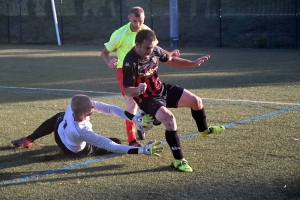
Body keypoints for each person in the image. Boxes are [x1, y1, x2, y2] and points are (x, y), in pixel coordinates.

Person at [122, 30, 225, 172]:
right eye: (147, 48)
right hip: (146, 98)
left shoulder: (155, 50)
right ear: (137, 45)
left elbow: (171, 60)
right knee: (169, 119)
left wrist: (193, 63)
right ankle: (179, 160)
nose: (150, 51)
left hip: (162, 89)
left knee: (196, 101)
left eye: (152, 48)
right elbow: (127, 90)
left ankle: (204, 130)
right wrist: (138, 89)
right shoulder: (129, 61)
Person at [101, 6, 180, 147]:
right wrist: (109, 62)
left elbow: (156, 49)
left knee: (148, 100)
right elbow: (104, 53)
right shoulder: (119, 34)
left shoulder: (146, 31)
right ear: (129, 18)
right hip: (125, 72)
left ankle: (140, 124)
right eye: (135, 21)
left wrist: (169, 55)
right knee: (131, 105)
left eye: (140, 21)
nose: (138, 24)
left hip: (144, 72)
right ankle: (132, 140)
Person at [11, 94, 163, 158]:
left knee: (59, 116)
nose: (94, 106)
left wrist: (135, 118)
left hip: (60, 133)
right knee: (116, 141)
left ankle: (29, 139)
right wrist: (143, 150)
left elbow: (109, 109)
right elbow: (111, 146)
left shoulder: (73, 105)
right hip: (74, 149)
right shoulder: (82, 131)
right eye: (92, 107)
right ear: (84, 112)